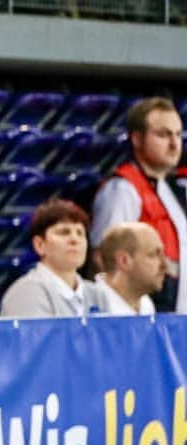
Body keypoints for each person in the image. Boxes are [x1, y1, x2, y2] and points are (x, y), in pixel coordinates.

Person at [89, 97, 185, 312]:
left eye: (178, 135)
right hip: (144, 316)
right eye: (163, 134)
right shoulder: (122, 189)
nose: (174, 144)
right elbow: (103, 259)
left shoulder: (173, 191)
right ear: (137, 139)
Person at [0, 199, 109, 318]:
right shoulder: (26, 292)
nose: (75, 239)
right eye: (64, 232)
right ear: (40, 245)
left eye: (80, 233)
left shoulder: (97, 295)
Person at [95, 222, 165, 315]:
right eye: (153, 255)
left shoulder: (146, 304)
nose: (164, 265)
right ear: (123, 261)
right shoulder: (89, 307)